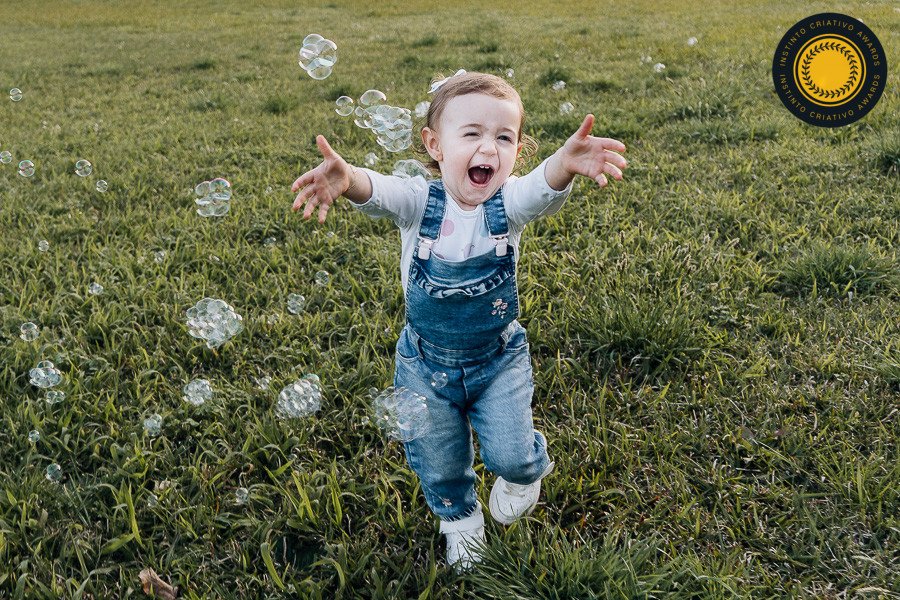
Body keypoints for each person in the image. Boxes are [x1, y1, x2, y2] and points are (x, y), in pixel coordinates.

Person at [290, 71, 627, 570]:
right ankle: (460, 519)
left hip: (497, 360)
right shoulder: (418, 203)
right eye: (471, 133)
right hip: (425, 363)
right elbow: (379, 190)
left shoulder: (506, 206)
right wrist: (350, 180)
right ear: (436, 145)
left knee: (511, 454)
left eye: (504, 137)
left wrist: (562, 165)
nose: (488, 147)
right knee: (439, 457)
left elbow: (538, 190)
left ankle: (525, 469)